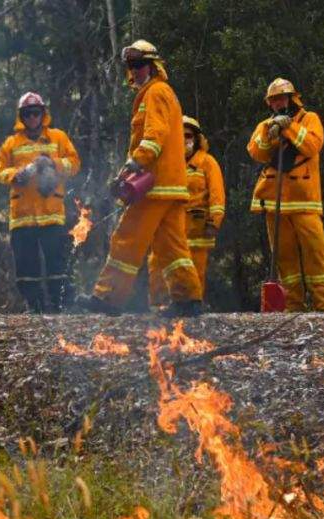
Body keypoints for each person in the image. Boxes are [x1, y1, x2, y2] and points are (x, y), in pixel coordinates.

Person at [76, 40, 201, 317]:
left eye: (140, 64)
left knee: (126, 237)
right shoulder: (164, 92)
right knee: (172, 247)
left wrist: (137, 161)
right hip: (172, 186)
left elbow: (154, 136)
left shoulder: (155, 93)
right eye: (131, 65)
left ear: (153, 66)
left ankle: (108, 298)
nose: (135, 71)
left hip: (154, 186)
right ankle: (188, 300)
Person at [246, 78, 324, 312]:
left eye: (281, 98)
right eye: (273, 100)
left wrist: (289, 127)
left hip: (304, 200)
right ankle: (294, 305)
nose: (277, 104)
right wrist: (271, 131)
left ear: (292, 98)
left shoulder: (310, 119)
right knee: (285, 259)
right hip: (273, 200)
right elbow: (256, 152)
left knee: (315, 254)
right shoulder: (264, 125)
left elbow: (311, 146)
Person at [0, 92, 81, 312]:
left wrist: (53, 164)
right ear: (21, 117)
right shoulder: (11, 143)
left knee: (57, 265)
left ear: (43, 114)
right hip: (22, 217)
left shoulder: (58, 137)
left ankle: (60, 307)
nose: (32, 117)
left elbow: (74, 163)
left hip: (52, 213)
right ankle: (35, 307)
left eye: (36, 113)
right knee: (26, 268)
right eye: (27, 114)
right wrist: (16, 175)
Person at [149, 116, 224, 304]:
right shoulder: (166, 163)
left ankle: (192, 311)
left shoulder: (207, 162)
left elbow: (217, 196)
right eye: (179, 136)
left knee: (194, 272)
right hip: (168, 229)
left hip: (196, 229)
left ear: (197, 138)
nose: (184, 140)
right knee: (158, 268)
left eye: (188, 135)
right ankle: (159, 309)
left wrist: (214, 222)